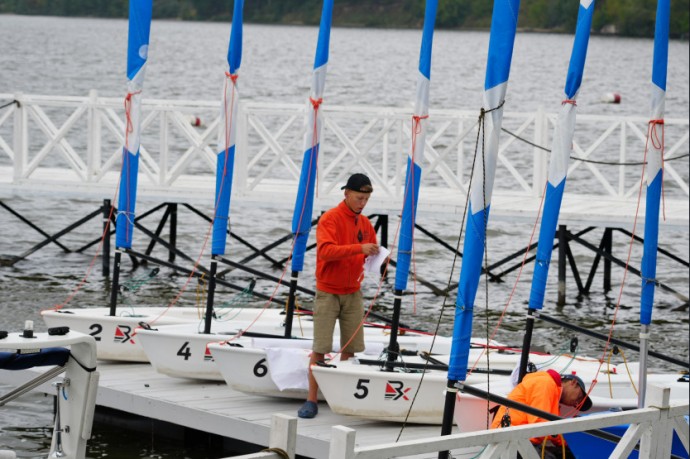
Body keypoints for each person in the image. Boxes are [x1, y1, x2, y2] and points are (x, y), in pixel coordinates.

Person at [297, 173, 379, 419]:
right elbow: (325, 252)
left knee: (350, 347)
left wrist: (378, 259)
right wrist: (359, 248)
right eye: (359, 198)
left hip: (353, 292)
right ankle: (311, 399)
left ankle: (339, 396)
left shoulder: (364, 223)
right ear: (346, 194)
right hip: (328, 292)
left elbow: (370, 252)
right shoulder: (329, 218)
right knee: (320, 347)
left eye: (366, 199)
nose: (362, 203)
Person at [490, 370, 592, 459]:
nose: (576, 403)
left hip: (518, 438)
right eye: (579, 397)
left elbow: (546, 428)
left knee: (565, 454)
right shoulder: (546, 383)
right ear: (573, 383)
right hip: (509, 441)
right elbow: (539, 423)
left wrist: (570, 443)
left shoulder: (550, 389)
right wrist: (570, 441)